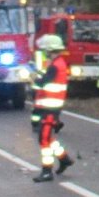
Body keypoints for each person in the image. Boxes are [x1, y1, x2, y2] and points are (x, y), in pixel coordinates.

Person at [31, 33, 74, 182]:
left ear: (50, 50)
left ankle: (47, 170)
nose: (44, 53)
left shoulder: (55, 66)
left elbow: (41, 84)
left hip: (50, 108)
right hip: (51, 107)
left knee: (44, 139)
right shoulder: (58, 64)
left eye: (45, 50)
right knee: (48, 137)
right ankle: (64, 159)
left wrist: (34, 79)